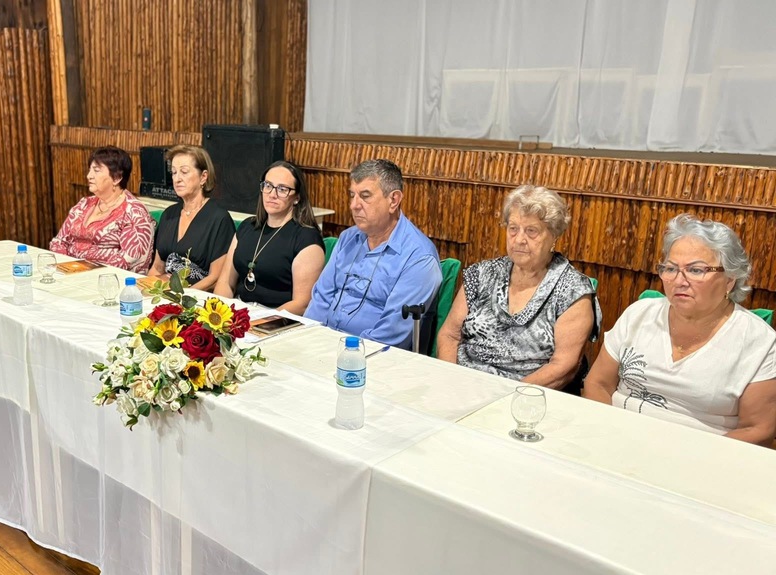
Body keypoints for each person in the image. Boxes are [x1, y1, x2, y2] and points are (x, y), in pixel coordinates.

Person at [584, 214, 776, 445]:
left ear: (730, 279)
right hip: (615, 437)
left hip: (703, 457)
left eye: (695, 270)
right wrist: (610, 433)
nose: (679, 280)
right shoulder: (639, 314)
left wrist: (689, 458)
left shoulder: (759, 341)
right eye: (671, 268)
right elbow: (598, 384)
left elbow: (758, 428)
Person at [437, 185, 599, 391]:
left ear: (554, 236)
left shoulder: (572, 291)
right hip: (461, 385)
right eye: (513, 228)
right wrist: (451, 380)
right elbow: (449, 335)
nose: (519, 239)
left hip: (524, 397)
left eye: (531, 231)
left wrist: (504, 395)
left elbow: (564, 366)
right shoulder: (482, 274)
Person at [304, 159, 440, 349]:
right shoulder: (348, 238)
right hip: (321, 346)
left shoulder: (418, 258)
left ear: (393, 200)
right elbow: (321, 299)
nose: (354, 205)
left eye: (365, 196)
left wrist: (342, 353)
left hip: (370, 359)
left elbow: (390, 336)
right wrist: (307, 340)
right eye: (352, 195)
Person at [214, 161, 324, 315]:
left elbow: (302, 304)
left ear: (297, 197)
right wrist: (219, 316)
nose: (272, 194)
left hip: (277, 318)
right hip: (238, 312)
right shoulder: (247, 226)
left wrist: (260, 322)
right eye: (268, 186)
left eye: (282, 189)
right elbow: (225, 283)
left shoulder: (306, 239)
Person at [49, 146, 154, 273]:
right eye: (89, 170)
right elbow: (59, 241)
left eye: (96, 171)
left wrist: (82, 270)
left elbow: (130, 260)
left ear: (117, 178)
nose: (89, 176)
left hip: (110, 281)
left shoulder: (134, 212)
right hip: (68, 273)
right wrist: (66, 267)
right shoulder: (84, 204)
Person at [149, 145, 235, 291]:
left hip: (197, 297)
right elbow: (157, 268)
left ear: (203, 177)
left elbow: (216, 278)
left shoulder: (219, 218)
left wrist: (182, 294)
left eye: (184, 172)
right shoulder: (169, 214)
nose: (177, 179)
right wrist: (147, 291)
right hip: (165, 293)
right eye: (174, 172)